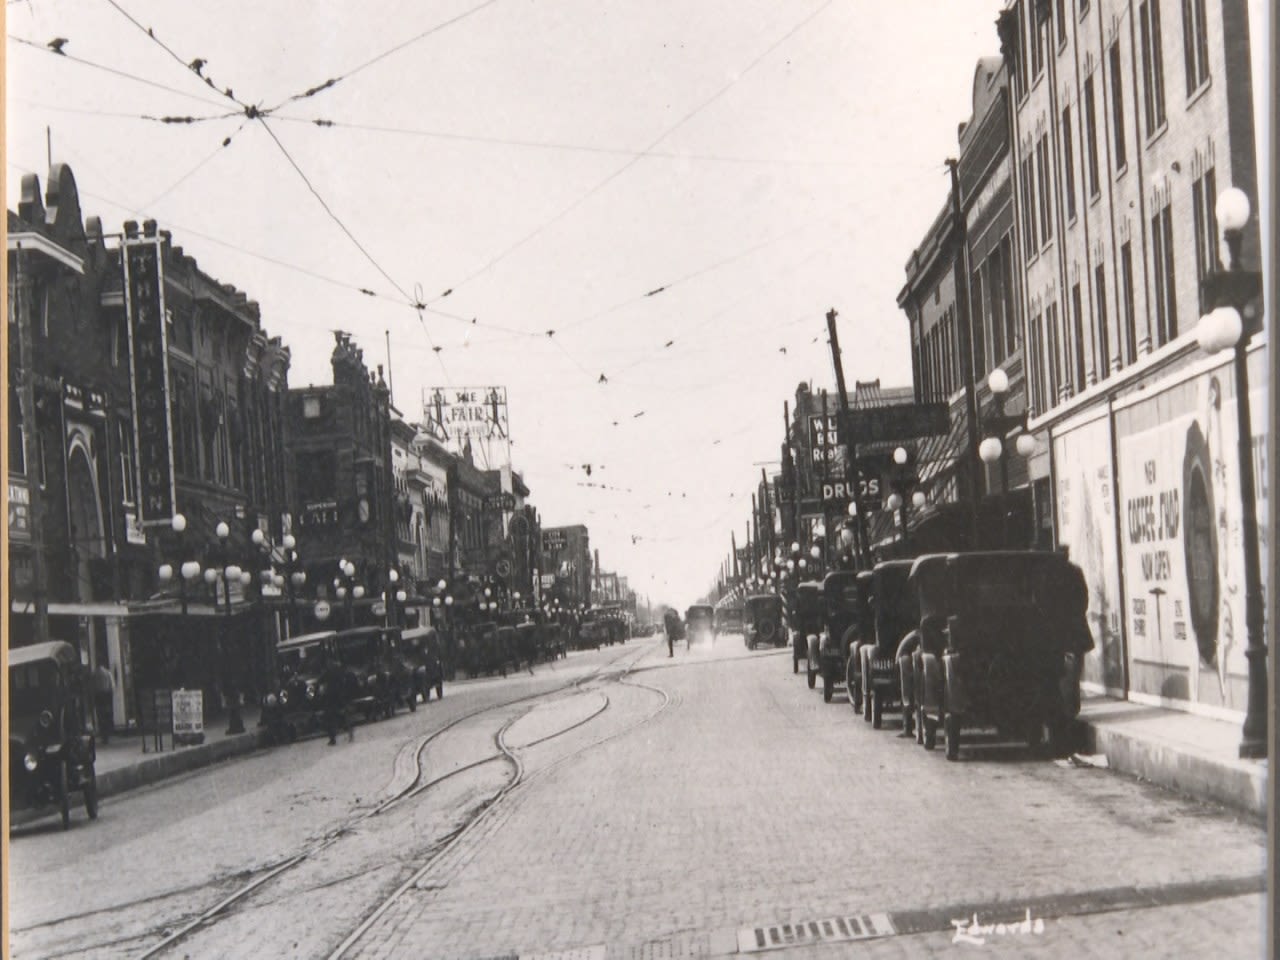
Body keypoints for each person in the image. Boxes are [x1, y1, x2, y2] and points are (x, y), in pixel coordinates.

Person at [93, 662, 114, 744]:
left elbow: (92, 687)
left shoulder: (94, 675)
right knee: (107, 715)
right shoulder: (108, 673)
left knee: (100, 716)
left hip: (98, 696)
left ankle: (103, 735)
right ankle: (107, 735)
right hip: (106, 696)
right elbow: (112, 686)